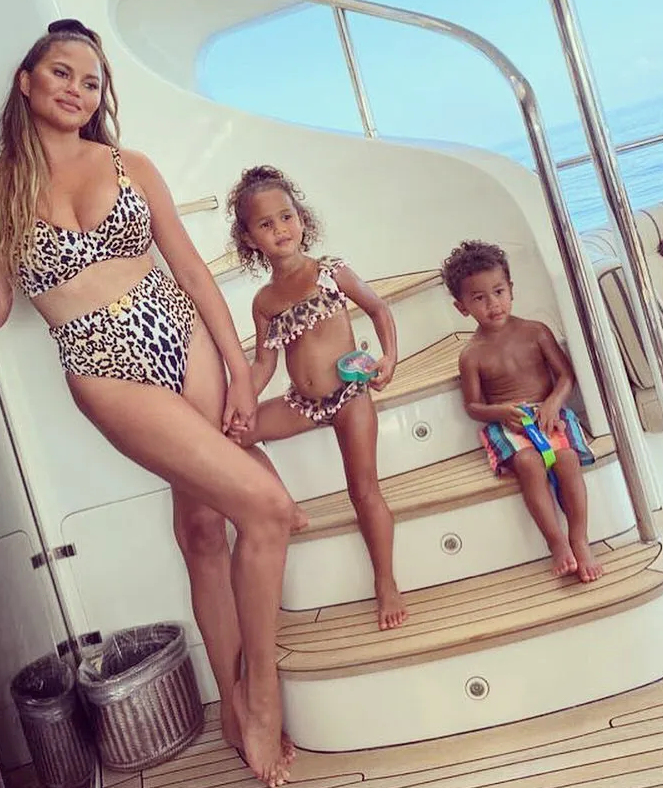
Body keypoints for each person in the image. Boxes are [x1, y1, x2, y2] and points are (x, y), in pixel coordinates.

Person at [0, 20, 297, 788]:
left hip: (180, 336)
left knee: (203, 527)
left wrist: (240, 373)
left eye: (91, 82)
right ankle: (261, 697)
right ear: (26, 81)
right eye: (61, 72)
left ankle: (233, 701)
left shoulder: (129, 165)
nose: (77, 90)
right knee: (269, 509)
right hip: (99, 363)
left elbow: (191, 273)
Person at [226, 165, 408, 631]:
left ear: (301, 218)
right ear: (249, 238)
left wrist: (389, 357)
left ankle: (385, 581)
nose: (280, 229)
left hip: (350, 396)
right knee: (234, 438)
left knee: (363, 491)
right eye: (265, 224)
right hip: (302, 404)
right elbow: (264, 365)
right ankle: (284, 506)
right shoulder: (265, 301)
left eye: (286, 217)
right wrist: (238, 400)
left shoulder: (330, 272)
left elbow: (378, 308)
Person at [441, 239, 603, 583]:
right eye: (479, 298)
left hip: (550, 414)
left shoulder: (536, 332)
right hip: (509, 425)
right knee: (529, 464)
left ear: (511, 289)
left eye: (499, 292)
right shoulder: (471, 355)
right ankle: (556, 542)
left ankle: (579, 538)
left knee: (567, 460)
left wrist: (553, 403)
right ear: (462, 307)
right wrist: (501, 411)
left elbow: (566, 376)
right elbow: (473, 406)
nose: (493, 304)